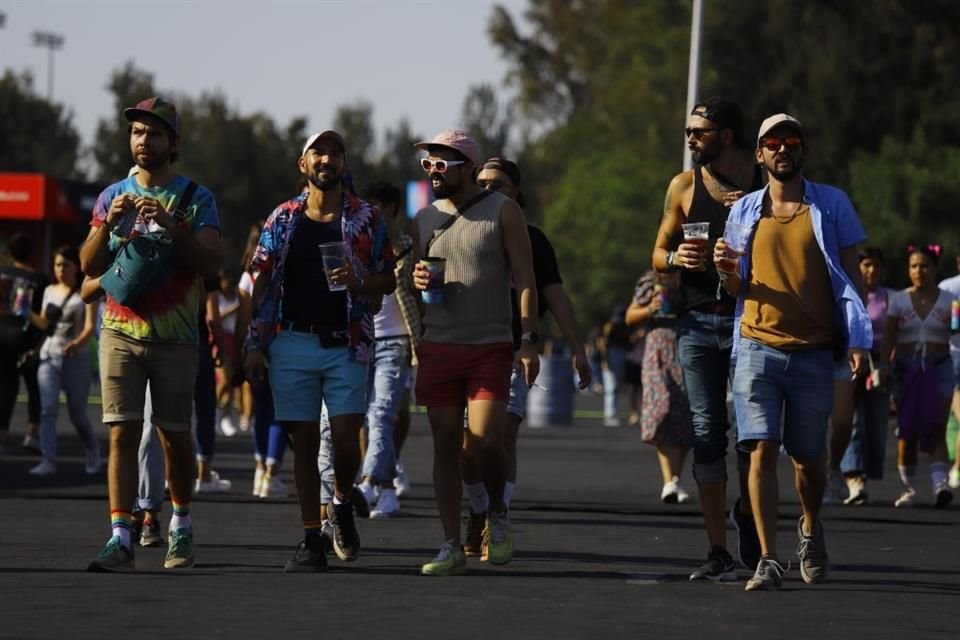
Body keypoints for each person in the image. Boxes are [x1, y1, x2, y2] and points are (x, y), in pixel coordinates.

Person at [716, 113, 871, 591]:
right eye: (772, 143)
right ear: (759, 155)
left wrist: (860, 340)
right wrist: (724, 271)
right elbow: (737, 284)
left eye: (792, 141)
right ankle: (767, 558)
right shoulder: (744, 211)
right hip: (758, 346)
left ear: (802, 150)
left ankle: (808, 525)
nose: (783, 148)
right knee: (759, 448)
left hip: (813, 351)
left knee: (808, 459)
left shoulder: (832, 204)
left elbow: (851, 280)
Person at [79, 96, 222, 572]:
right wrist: (108, 225)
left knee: (174, 438)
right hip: (118, 331)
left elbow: (210, 264)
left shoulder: (197, 198)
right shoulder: (110, 195)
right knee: (121, 434)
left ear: (173, 143)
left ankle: (180, 525)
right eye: (138, 132)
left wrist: (171, 226)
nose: (144, 140)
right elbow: (88, 266)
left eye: (155, 133)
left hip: (175, 337)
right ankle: (120, 536)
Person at [243, 130, 396, 573]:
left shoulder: (366, 218)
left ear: (344, 163)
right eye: (318, 153)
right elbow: (260, 282)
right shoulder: (283, 219)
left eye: (334, 153)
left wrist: (360, 281)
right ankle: (312, 537)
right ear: (303, 164)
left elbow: (388, 277)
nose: (326, 159)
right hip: (290, 340)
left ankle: (343, 502)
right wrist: (254, 343)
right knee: (305, 444)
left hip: (346, 341)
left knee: (347, 441)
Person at [410, 131, 539, 576]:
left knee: (486, 442)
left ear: (467, 165)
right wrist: (419, 282)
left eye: (441, 164)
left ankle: (496, 517)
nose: (432, 172)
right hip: (439, 344)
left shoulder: (504, 211)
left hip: (490, 345)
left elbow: (525, 279)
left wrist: (529, 339)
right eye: (427, 165)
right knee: (446, 446)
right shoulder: (424, 217)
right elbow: (417, 278)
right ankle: (450, 544)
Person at [652, 97, 761, 582]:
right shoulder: (683, 186)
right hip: (696, 324)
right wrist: (679, 261)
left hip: (750, 324)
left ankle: (755, 532)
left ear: (728, 136)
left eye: (699, 131)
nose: (691, 138)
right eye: (688, 130)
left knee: (754, 437)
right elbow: (657, 252)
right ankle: (718, 550)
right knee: (706, 435)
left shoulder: (763, 186)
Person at [460, 156, 591, 559]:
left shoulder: (533, 240)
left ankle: (498, 516)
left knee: (501, 437)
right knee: (468, 447)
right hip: (463, 346)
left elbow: (554, 295)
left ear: (515, 194)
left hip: (512, 350)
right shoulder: (460, 230)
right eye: (480, 181)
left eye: (496, 184)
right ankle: (479, 509)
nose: (486, 189)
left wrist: (578, 348)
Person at [354, 181, 421, 518]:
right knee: (367, 417)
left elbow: (421, 292)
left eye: (379, 206)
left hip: (398, 338)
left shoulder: (411, 245)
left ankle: (368, 483)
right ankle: (389, 488)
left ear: (393, 209)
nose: (372, 213)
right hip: (363, 335)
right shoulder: (360, 244)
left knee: (385, 412)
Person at [880, 245, 955, 508]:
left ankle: (940, 486)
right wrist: (882, 366)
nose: (919, 271)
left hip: (940, 367)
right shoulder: (899, 300)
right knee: (907, 429)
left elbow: (956, 333)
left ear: (934, 268)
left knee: (937, 425)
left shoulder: (949, 301)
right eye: (914, 266)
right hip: (906, 369)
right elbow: (889, 335)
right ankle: (909, 488)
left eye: (924, 266)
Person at [22, 245, 100, 476]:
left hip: (77, 358)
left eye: (65, 264)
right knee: (47, 409)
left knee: (77, 413)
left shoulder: (86, 292)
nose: (60, 269)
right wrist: (26, 312)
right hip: (49, 354)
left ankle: (93, 450)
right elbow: (46, 325)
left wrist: (77, 343)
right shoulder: (49, 291)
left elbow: (89, 327)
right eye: (57, 265)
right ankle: (48, 459)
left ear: (76, 266)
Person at [626, 270, 692, 504]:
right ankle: (669, 481)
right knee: (662, 408)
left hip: (689, 344)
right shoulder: (651, 280)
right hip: (659, 348)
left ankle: (675, 479)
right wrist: (649, 309)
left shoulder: (696, 279)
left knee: (685, 414)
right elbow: (630, 316)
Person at [837, 247, 894, 504]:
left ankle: (864, 473)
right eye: (866, 265)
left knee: (876, 423)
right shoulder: (847, 294)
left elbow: (896, 334)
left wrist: (886, 364)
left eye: (876, 266)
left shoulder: (890, 298)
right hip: (850, 363)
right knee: (853, 421)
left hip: (880, 367)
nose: (871, 271)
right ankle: (853, 478)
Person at [236, 223, 287, 498]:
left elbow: (244, 318)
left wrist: (240, 349)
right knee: (279, 410)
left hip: (253, 344)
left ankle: (260, 469)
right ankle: (271, 472)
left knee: (260, 409)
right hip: (279, 341)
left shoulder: (247, 278)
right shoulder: (282, 271)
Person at [0, 233, 49, 456]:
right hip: (27, 336)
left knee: (5, 387)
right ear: (31, 253)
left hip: (1, 334)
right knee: (34, 387)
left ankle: (2, 433)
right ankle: (32, 432)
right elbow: (43, 313)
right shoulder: (40, 280)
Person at [937, 254, 960, 489]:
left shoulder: (947, 287)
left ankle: (955, 466)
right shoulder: (948, 288)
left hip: (951, 354)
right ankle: (954, 467)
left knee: (953, 418)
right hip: (952, 356)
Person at [600, 306, 630, 427]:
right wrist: (606, 360)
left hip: (618, 354)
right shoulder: (610, 327)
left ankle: (613, 413)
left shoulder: (622, 327)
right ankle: (610, 415)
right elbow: (603, 344)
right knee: (611, 387)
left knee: (615, 387)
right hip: (611, 355)